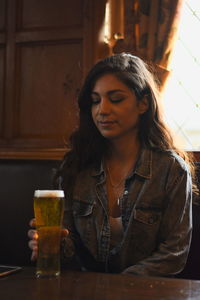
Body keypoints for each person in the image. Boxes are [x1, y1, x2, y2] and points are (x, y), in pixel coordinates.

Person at [28, 52, 194, 277]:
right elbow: (71, 247)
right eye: (96, 101)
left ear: (143, 103)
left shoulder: (171, 170)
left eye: (116, 99)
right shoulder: (76, 166)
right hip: (86, 292)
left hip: (146, 293)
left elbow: (173, 254)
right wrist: (55, 245)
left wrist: (116, 288)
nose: (102, 110)